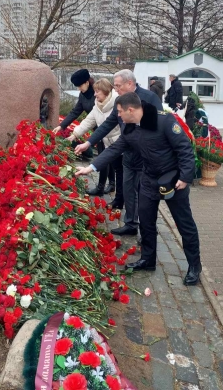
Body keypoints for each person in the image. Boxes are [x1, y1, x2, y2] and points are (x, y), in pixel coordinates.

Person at [75, 92, 202, 286]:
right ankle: (148, 260)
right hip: (149, 178)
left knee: (185, 224)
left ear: (131, 110)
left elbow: (184, 149)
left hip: (173, 179)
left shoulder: (164, 121)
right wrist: (91, 167)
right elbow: (114, 149)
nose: (118, 115)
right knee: (146, 222)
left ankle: (194, 266)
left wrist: (185, 177)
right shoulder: (130, 128)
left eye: (119, 112)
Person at [75, 69, 163, 236]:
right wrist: (89, 142)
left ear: (130, 83)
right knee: (129, 190)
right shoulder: (120, 101)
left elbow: (158, 129)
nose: (115, 89)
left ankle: (148, 228)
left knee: (146, 196)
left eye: (117, 85)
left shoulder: (149, 98)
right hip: (128, 153)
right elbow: (108, 124)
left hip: (146, 158)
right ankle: (130, 223)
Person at [53, 68, 114, 194]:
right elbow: (76, 111)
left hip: (106, 128)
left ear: (87, 82)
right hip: (96, 128)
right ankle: (111, 183)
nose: (78, 89)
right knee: (107, 156)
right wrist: (62, 126)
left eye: (79, 85)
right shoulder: (83, 95)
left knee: (104, 156)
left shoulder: (98, 92)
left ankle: (101, 187)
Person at [67, 78, 124, 209]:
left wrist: (87, 143)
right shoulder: (98, 105)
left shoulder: (117, 103)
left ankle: (122, 199)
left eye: (97, 92)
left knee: (122, 173)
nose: (95, 94)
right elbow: (88, 121)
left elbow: (109, 125)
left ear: (105, 91)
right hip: (108, 142)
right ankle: (118, 199)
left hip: (120, 143)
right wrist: (74, 135)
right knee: (117, 170)